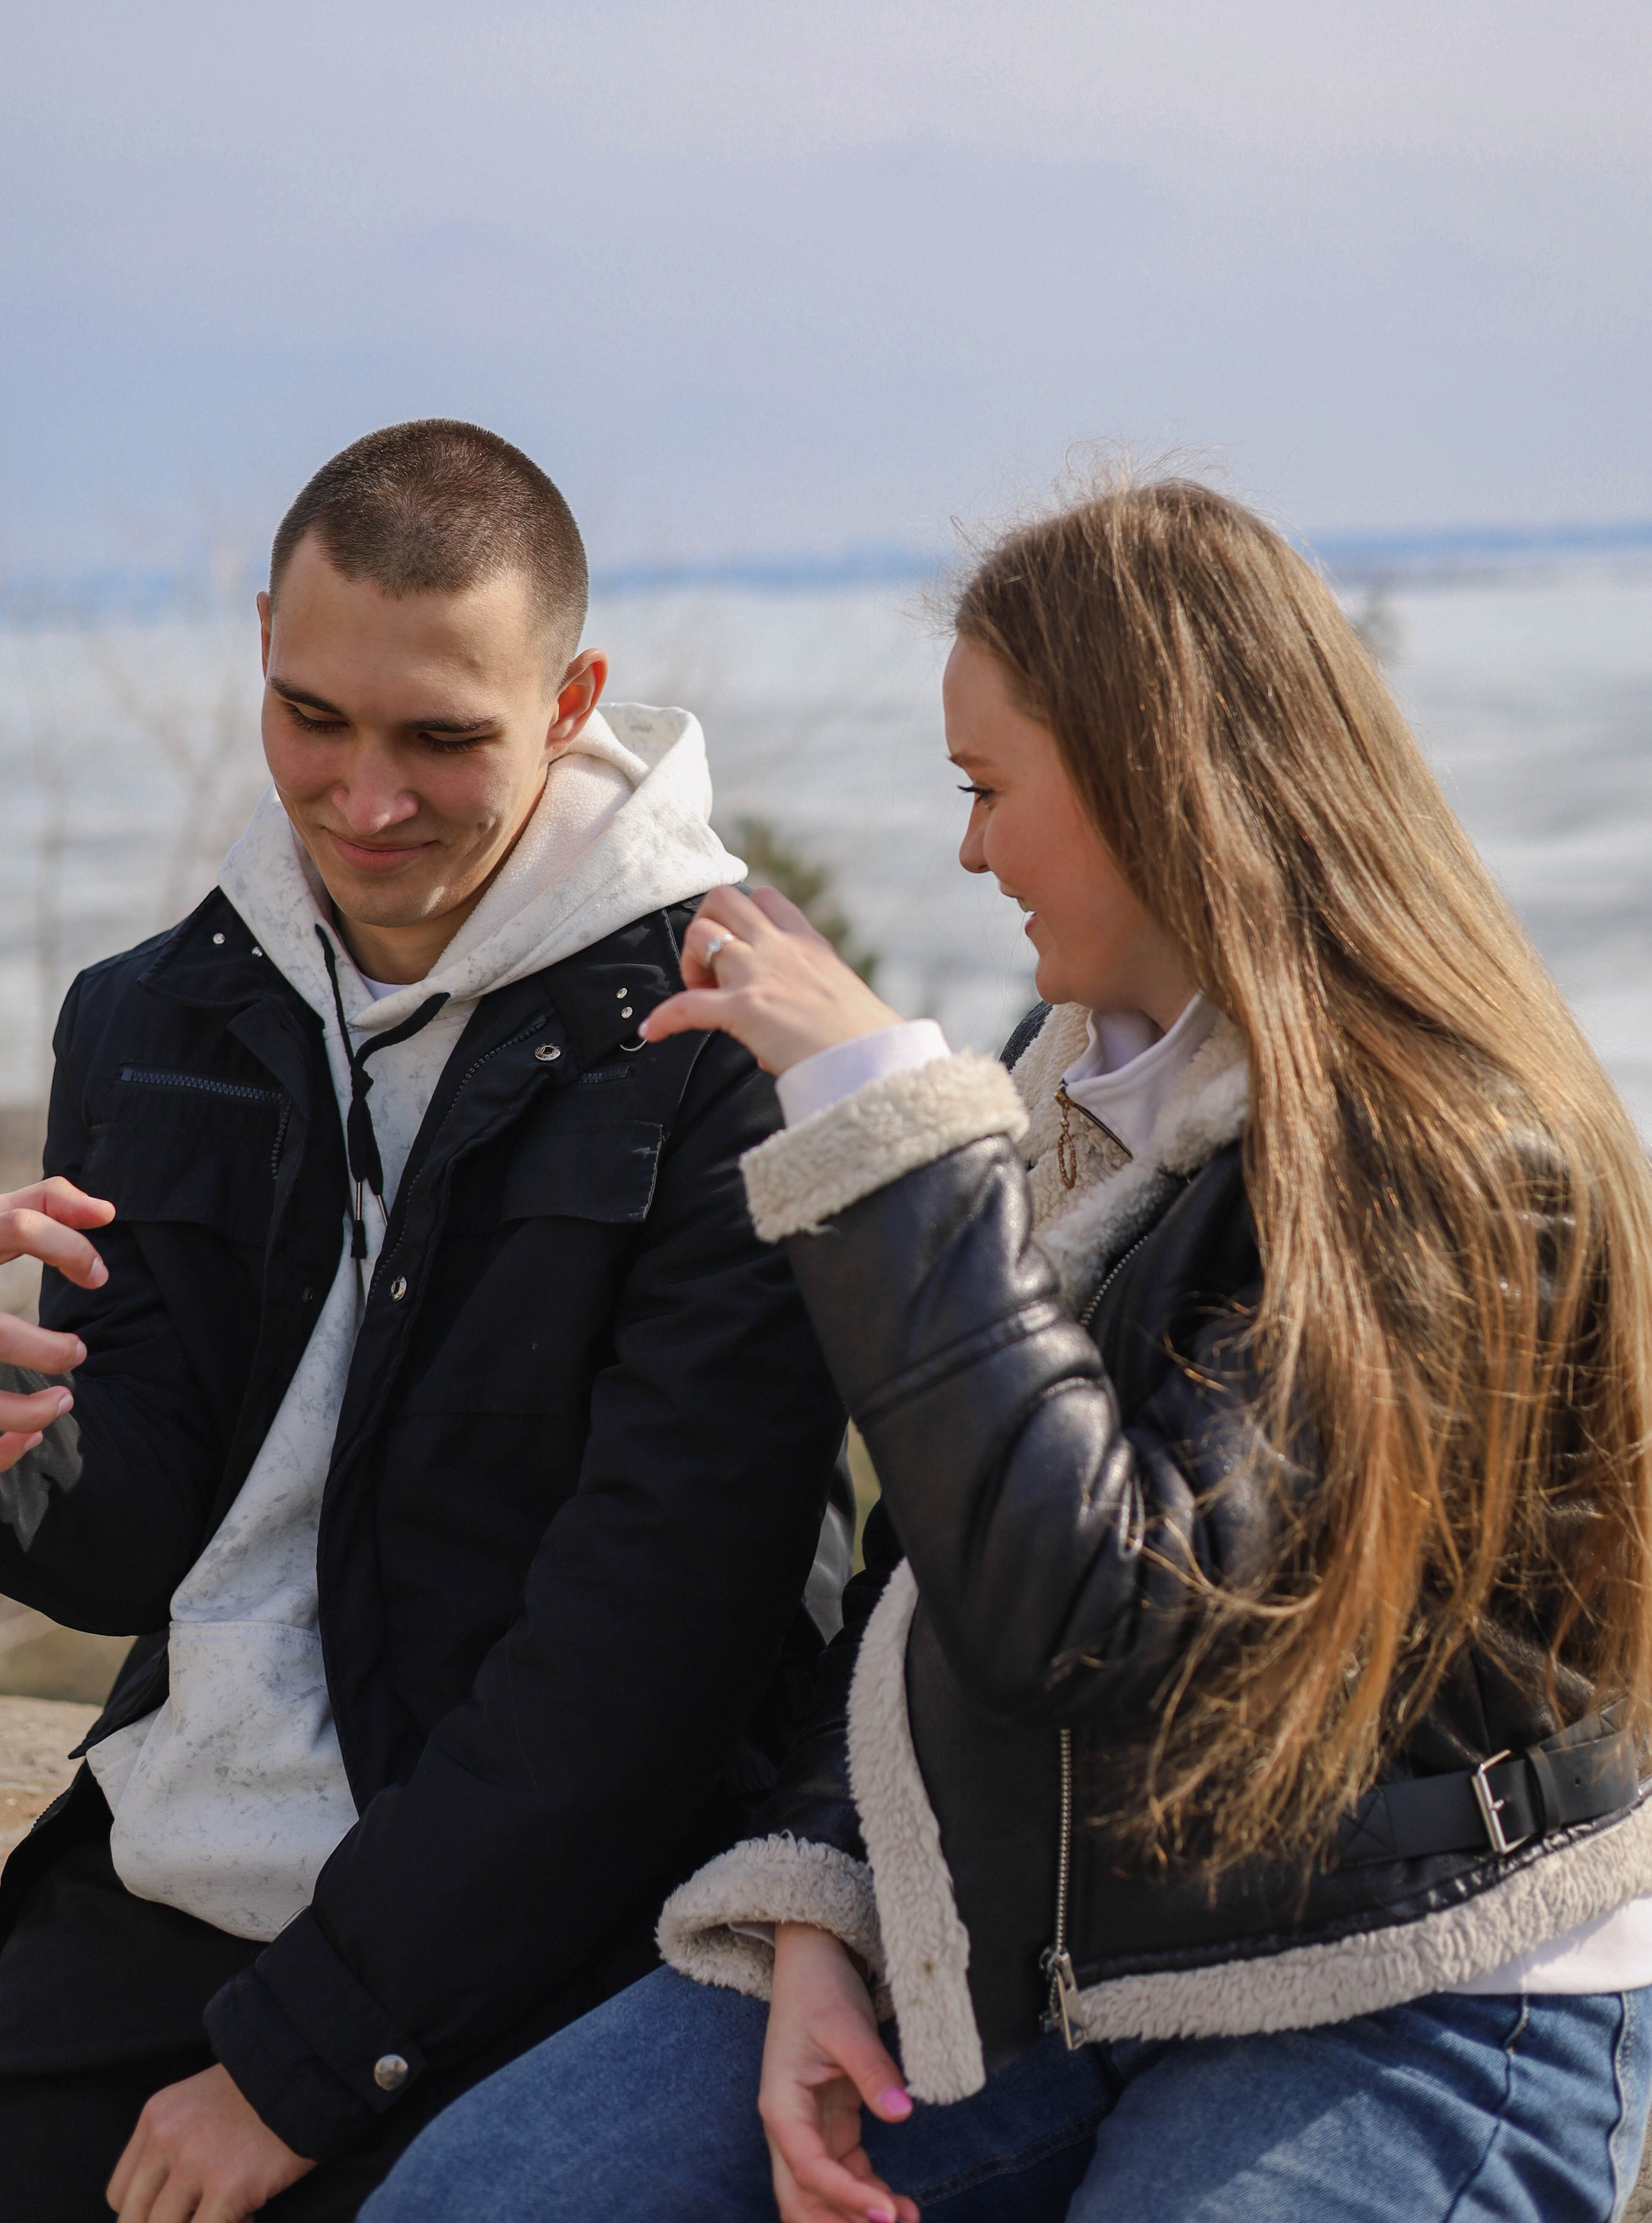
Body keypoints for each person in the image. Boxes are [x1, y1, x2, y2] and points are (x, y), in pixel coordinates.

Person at [362, 476, 1652, 2223]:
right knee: (484, 2200)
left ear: (1155, 782)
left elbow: (1106, 1620)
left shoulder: (1448, 1157)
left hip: (1401, 1983)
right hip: (1064, 1943)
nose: (967, 851)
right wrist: (823, 1899)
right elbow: (936, 1586)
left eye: (986, 790)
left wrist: (878, 1126)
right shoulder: (1078, 1076)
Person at [0, 419, 847, 2222]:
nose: (366, 797)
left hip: (558, 1924)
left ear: (571, 704)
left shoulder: (725, 1052)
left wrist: (306, 2063)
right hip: (179, 1876)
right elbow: (140, 1530)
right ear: (260, 642)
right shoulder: (152, 1015)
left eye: (442, 737)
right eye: (313, 716)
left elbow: (646, 1660)